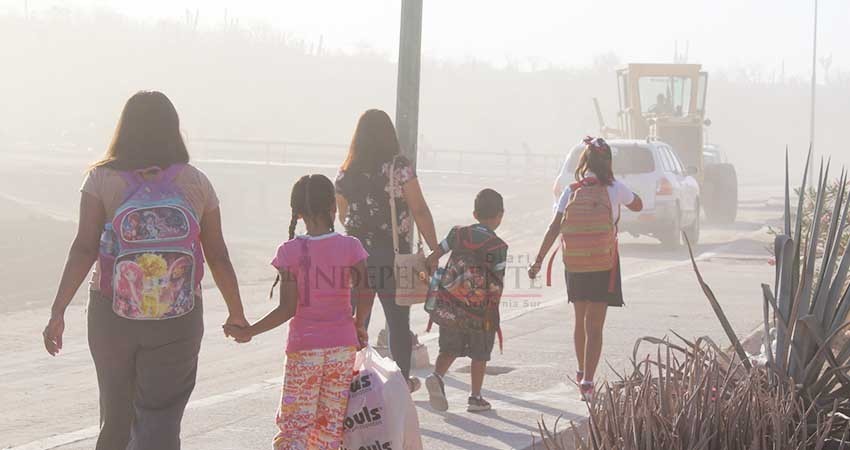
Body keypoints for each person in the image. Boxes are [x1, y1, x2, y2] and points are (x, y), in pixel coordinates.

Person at [42, 91, 249, 450]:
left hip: (112, 313)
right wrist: (237, 312)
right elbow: (217, 255)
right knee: (161, 420)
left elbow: (84, 248)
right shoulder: (196, 182)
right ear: (174, 130)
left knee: (115, 419)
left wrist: (58, 311)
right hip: (179, 316)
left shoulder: (100, 180)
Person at [225, 174, 371, 450]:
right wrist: (359, 324)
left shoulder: (290, 251)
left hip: (305, 349)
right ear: (332, 207)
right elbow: (367, 290)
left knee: (295, 429)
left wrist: (250, 331)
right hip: (342, 347)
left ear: (298, 213)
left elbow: (287, 309)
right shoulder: (350, 246)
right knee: (329, 428)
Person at [528, 136, 643, 401]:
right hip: (604, 262)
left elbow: (554, 226)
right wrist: (628, 192)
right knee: (596, 325)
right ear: (607, 162)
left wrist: (538, 260)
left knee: (579, 319)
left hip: (576, 263)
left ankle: (581, 371)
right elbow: (638, 205)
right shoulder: (614, 188)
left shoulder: (571, 190)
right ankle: (589, 382)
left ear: (585, 161)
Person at [335, 109, 439, 391]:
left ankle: (351, 383)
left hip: (354, 256)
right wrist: (435, 249)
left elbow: (342, 215)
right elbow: (419, 208)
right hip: (392, 256)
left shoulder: (347, 169)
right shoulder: (399, 168)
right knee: (397, 321)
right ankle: (401, 384)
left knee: (357, 319)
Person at [423, 189, 508, 413]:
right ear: (500, 215)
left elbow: (435, 254)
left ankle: (437, 376)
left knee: (449, 348)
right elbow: (497, 283)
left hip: (450, 306)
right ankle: (475, 397)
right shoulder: (498, 246)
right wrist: (493, 312)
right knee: (480, 354)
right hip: (480, 312)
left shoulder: (458, 234)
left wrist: (432, 277)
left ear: (474, 213)